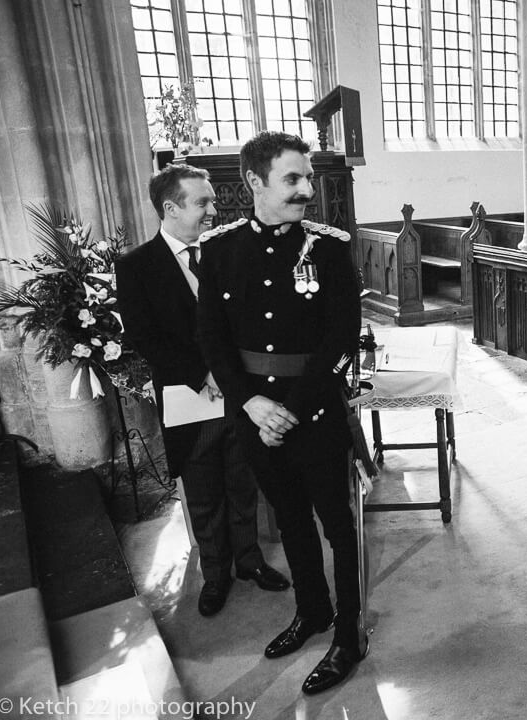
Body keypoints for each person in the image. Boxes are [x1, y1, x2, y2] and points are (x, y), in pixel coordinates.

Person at [196, 131, 366, 695]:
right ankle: (312, 611)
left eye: (308, 177)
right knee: (290, 519)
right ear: (254, 182)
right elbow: (213, 339)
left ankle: (349, 633)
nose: (307, 190)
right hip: (254, 414)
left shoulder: (330, 245)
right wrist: (250, 401)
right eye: (293, 179)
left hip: (311, 411)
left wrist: (290, 409)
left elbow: (341, 337)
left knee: (337, 525)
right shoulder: (219, 249)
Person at [117, 165, 290, 618]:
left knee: (242, 479)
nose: (215, 211)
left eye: (213, 202)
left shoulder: (225, 253)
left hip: (241, 394)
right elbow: (143, 336)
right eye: (203, 203)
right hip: (186, 397)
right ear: (170, 209)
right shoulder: (137, 266)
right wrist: (204, 373)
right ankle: (216, 576)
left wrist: (236, 373)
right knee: (203, 490)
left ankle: (250, 561)